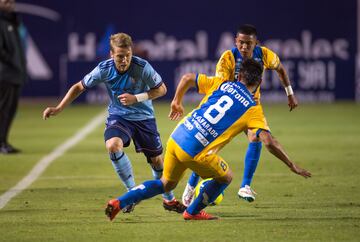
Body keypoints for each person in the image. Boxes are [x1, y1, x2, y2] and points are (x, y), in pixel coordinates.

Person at [105, 59, 311, 221]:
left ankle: (119, 202)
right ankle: (192, 211)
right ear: (260, 83)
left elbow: (187, 77)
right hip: (195, 151)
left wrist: (177, 102)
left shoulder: (221, 83)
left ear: (238, 76)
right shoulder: (253, 109)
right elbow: (268, 141)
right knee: (227, 177)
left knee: (165, 184)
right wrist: (292, 165)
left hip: (177, 137)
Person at [42, 33, 185, 213]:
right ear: (111, 54)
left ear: (131, 52)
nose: (124, 60)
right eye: (120, 56)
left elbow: (162, 90)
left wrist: (136, 98)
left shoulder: (142, 67)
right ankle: (131, 194)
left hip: (144, 118)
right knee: (113, 146)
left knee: (157, 162)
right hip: (119, 116)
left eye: (127, 55)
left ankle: (169, 200)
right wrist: (59, 107)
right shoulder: (104, 69)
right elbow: (79, 86)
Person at [182, 24, 298, 206]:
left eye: (248, 44)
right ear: (235, 41)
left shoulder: (266, 55)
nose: (244, 47)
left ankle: (245, 186)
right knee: (210, 148)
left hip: (251, 107)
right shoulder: (227, 58)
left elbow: (281, 69)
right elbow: (220, 86)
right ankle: (190, 186)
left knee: (256, 138)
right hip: (229, 106)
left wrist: (289, 93)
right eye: (241, 43)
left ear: (256, 43)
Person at [0, 0, 26, 154]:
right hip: (5, 73)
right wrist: (12, 61)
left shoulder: (12, 20)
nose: (9, 3)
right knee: (3, 109)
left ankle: (4, 141)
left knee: (10, 109)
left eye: (11, 1)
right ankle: (1, 142)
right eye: (5, 1)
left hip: (15, 73)